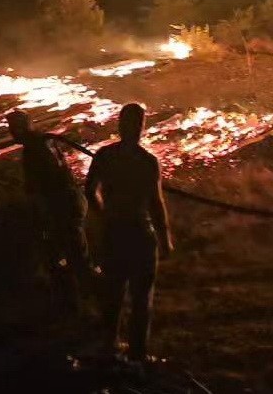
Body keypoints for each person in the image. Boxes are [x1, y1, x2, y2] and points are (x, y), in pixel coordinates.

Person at [84, 103, 173, 363]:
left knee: (113, 292)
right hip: (139, 232)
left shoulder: (104, 155)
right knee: (141, 296)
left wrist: (104, 215)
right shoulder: (147, 161)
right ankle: (137, 353)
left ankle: (110, 345)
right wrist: (164, 238)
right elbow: (156, 204)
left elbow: (90, 190)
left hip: (116, 232)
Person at [7, 109, 92, 316]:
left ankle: (81, 305)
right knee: (72, 255)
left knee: (61, 256)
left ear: (24, 126)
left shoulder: (35, 148)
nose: (12, 132)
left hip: (62, 206)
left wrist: (43, 212)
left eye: (14, 127)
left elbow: (44, 184)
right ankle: (82, 302)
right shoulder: (44, 141)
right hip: (69, 202)